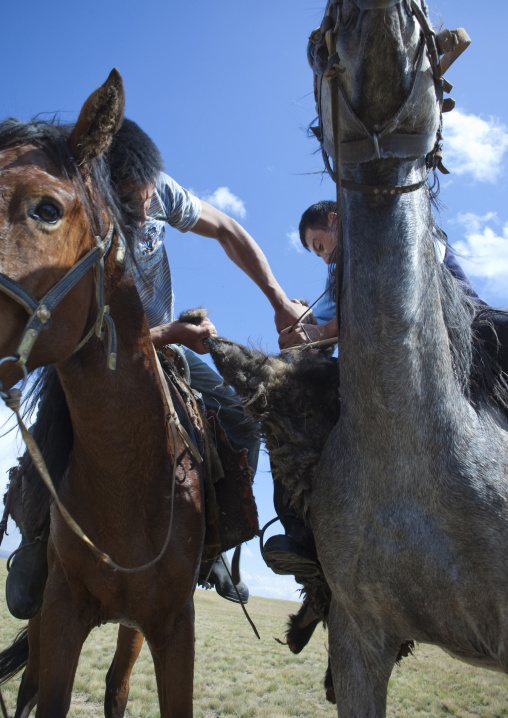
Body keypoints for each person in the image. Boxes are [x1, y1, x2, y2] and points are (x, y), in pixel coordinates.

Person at [5, 119, 306, 618]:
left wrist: (276, 299)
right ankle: (38, 535)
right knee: (61, 421)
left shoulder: (160, 193)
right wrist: (166, 334)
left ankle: (212, 548)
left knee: (241, 419)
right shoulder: (86, 211)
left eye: (146, 194)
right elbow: (77, 318)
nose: (143, 207)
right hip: (94, 349)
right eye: (130, 198)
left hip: (163, 341)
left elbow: (228, 231)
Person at [263, 200, 508, 582]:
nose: (324, 258)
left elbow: (389, 294)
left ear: (333, 220)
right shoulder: (335, 278)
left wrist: (316, 331)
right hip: (378, 356)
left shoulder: (404, 228)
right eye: (317, 253)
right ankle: (302, 538)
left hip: (470, 329)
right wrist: (299, 318)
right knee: (293, 407)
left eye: (320, 245)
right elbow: (317, 324)